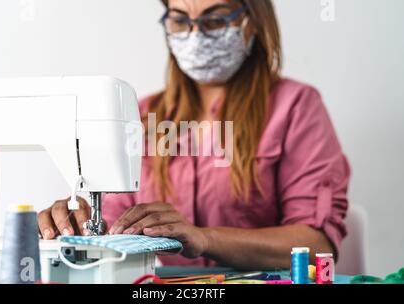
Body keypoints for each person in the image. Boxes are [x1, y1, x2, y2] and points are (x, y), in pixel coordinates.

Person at [38, 0, 350, 270]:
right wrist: (77, 223)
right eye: (180, 19)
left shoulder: (295, 106)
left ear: (253, 21)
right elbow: (112, 228)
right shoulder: (142, 118)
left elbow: (316, 244)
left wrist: (203, 237)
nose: (195, 34)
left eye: (215, 19)